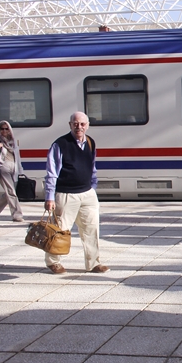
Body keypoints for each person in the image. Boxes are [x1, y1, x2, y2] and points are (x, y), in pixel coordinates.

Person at [44, 111, 109, 274]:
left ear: (87, 125)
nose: (78, 127)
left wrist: (92, 186)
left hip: (87, 194)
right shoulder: (60, 144)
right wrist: (49, 197)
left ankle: (93, 263)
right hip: (66, 194)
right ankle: (53, 262)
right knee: (60, 230)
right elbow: (52, 173)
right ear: (70, 125)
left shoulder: (90, 142)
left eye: (82, 124)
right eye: (75, 123)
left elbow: (92, 166)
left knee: (91, 229)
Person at [0, 120, 24, 222]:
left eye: (6, 129)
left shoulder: (13, 141)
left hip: (13, 168)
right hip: (2, 167)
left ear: (9, 129)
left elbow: (17, 157)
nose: (4, 131)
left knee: (11, 191)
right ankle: (17, 215)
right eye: (2, 129)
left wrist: (20, 171)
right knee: (11, 192)